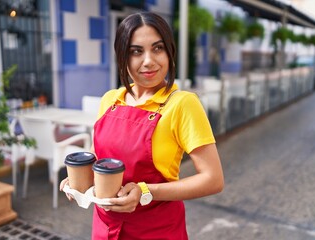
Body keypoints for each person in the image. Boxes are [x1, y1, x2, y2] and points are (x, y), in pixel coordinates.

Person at [60, 11, 224, 240]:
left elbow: (213, 179)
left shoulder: (182, 104)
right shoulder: (110, 100)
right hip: (105, 228)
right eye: (136, 51)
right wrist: (80, 181)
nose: (148, 60)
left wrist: (145, 191)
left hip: (157, 231)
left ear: (170, 52)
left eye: (157, 48)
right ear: (122, 58)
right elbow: (102, 158)